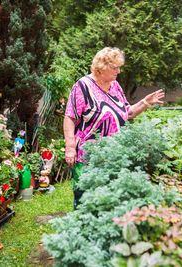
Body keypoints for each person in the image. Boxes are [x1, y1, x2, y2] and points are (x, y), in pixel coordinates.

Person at [63, 47, 165, 208]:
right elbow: (70, 116)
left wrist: (145, 102)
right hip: (88, 155)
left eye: (119, 67)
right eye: (115, 67)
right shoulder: (83, 86)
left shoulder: (115, 86)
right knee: (85, 198)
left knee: (109, 200)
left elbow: (128, 113)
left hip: (113, 155)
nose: (119, 71)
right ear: (101, 67)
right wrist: (69, 147)